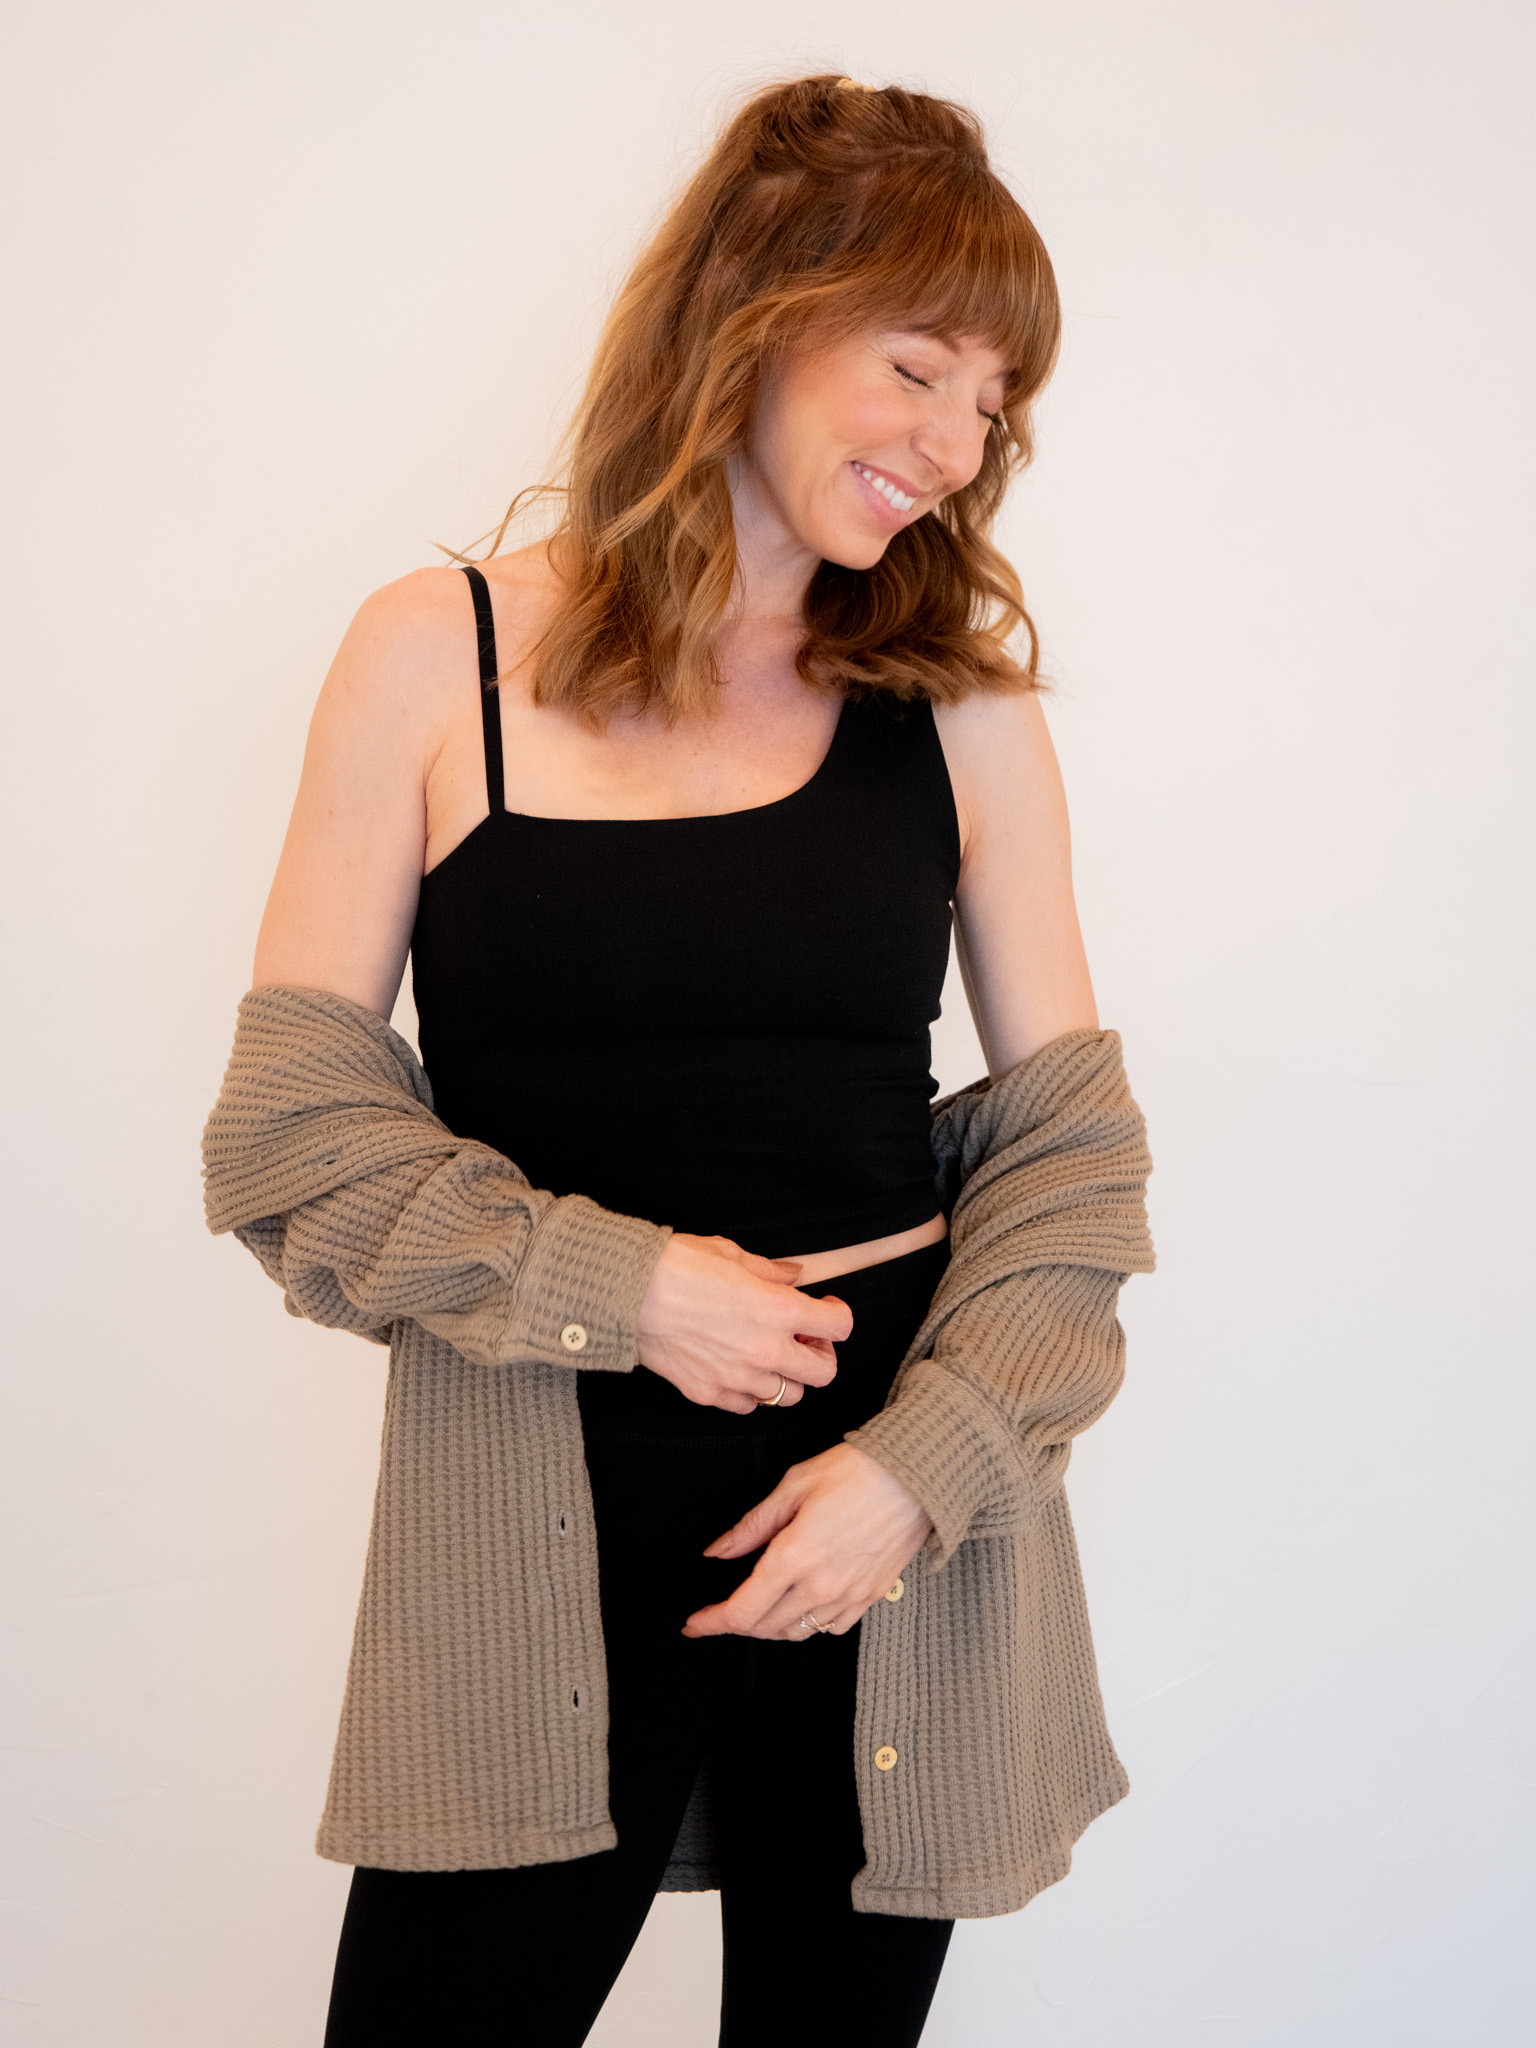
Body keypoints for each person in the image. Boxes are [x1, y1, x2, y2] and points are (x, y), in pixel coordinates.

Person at [211, 73, 1153, 2048]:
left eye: (996, 403)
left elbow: (1076, 1167)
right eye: (920, 366)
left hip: (899, 1538)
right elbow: (292, 1133)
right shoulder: (431, 655)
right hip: (535, 1541)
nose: (958, 444)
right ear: (758, 304)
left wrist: (917, 1473)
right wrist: (623, 1282)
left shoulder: (957, 707)